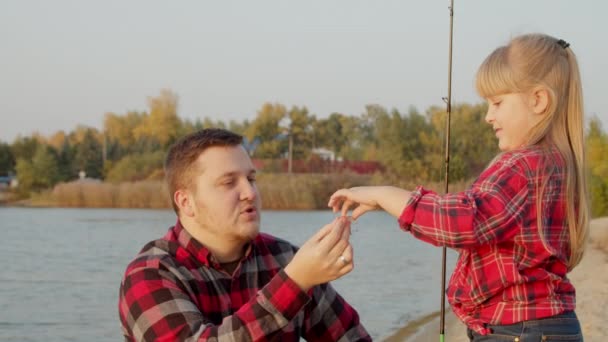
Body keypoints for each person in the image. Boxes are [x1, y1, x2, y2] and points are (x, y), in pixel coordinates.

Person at [328, 33, 588, 341]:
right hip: (547, 327)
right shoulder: (557, 164)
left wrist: (383, 194)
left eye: (497, 102)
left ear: (538, 100)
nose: (489, 116)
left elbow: (464, 221)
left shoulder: (523, 166)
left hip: (519, 330)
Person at [119, 128, 371, 341]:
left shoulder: (285, 258)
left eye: (251, 179)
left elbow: (350, 336)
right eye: (229, 183)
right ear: (186, 202)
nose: (250, 192)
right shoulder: (150, 274)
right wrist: (294, 283)